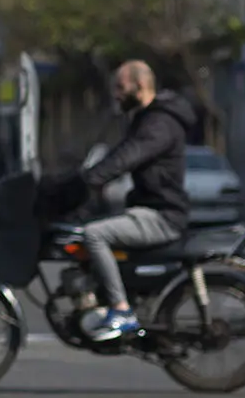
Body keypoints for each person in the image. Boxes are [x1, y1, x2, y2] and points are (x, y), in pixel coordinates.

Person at [77, 60, 197, 341]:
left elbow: (127, 157)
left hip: (163, 215)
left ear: (140, 86)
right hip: (147, 208)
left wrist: (90, 180)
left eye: (121, 87)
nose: (117, 95)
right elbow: (119, 153)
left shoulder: (160, 123)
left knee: (94, 235)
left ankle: (121, 310)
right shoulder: (145, 118)